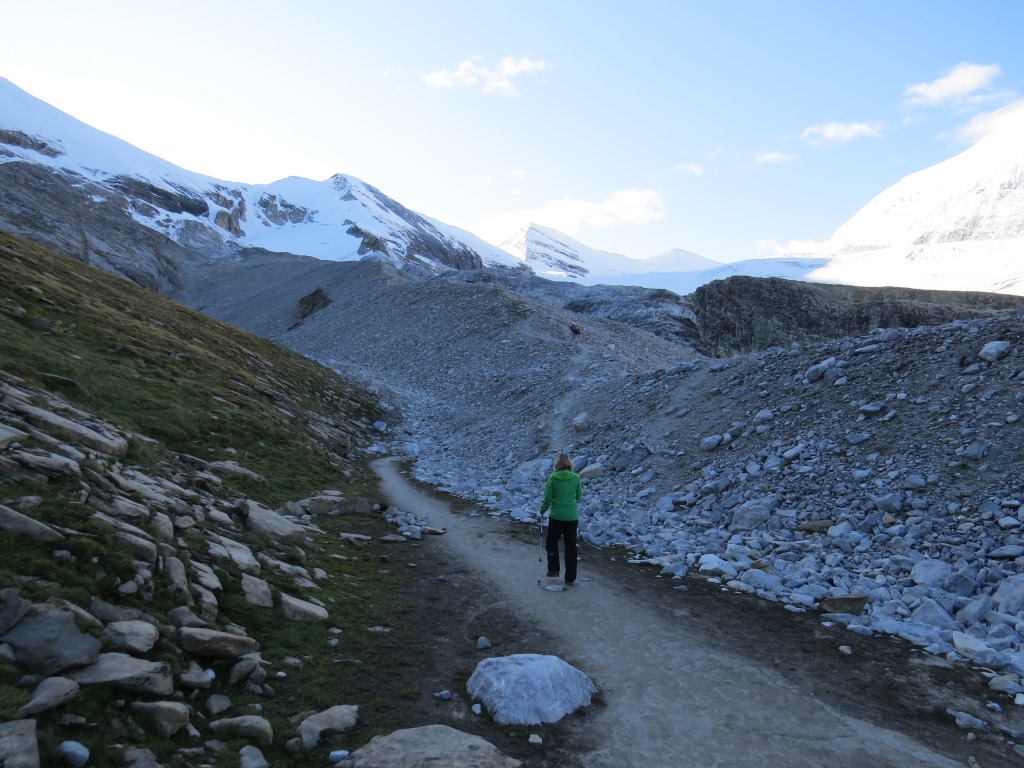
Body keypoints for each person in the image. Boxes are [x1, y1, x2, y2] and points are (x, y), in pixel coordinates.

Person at [539, 452, 583, 585]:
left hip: (556, 516)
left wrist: (543, 509)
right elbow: (579, 496)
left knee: (552, 541)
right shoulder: (576, 478)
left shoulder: (553, 477)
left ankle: (553, 569)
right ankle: (570, 577)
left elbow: (548, 497)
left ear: (557, 463)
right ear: (570, 463)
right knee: (571, 546)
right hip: (572, 517)